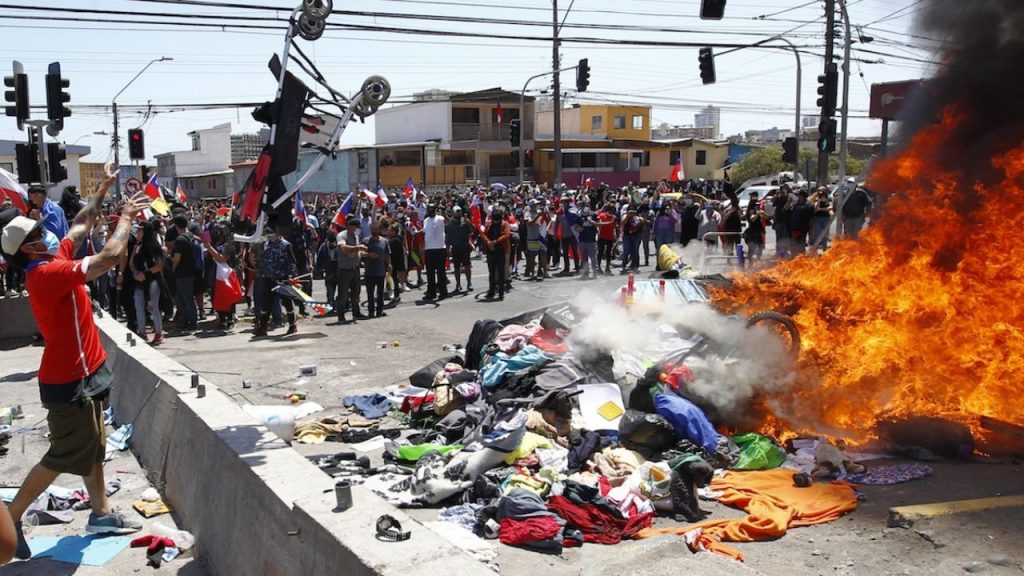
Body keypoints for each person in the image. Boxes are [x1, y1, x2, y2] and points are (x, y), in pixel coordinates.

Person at [0, 165, 148, 561]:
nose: (43, 228)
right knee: (66, 454)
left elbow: (81, 225)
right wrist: (127, 219)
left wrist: (102, 189)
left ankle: (100, 514)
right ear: (29, 248)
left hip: (88, 373)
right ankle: (11, 517)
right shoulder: (47, 272)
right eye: (35, 231)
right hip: (67, 382)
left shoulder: (51, 255)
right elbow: (110, 255)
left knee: (95, 447)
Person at [254, 224, 298, 337]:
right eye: (268, 235)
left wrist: (291, 276)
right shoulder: (266, 245)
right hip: (269, 278)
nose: (269, 237)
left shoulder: (286, 245)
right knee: (266, 304)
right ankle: (262, 327)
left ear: (278, 234)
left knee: (287, 303)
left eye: (272, 235)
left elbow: (291, 262)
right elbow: (265, 261)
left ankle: (292, 324)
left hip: (282, 278)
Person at [129, 220, 165, 345]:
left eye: (140, 230)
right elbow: (131, 263)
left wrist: (146, 274)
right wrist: (135, 273)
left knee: (153, 306)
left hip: (153, 280)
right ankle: (142, 332)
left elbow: (159, 265)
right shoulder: (137, 246)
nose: (137, 232)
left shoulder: (154, 246)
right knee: (138, 306)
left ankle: (159, 333)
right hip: (139, 281)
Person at [170, 215, 199, 332]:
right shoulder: (191, 236)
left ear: (176, 226)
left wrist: (173, 268)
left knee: (187, 299)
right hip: (192, 271)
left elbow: (177, 258)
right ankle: (185, 321)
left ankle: (192, 323)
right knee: (182, 299)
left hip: (183, 273)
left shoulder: (180, 240)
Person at [336, 216, 366, 324]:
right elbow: (343, 249)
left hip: (355, 268)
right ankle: (341, 315)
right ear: (349, 226)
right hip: (345, 269)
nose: (357, 229)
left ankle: (356, 313)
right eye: (355, 227)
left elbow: (356, 251)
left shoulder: (356, 236)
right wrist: (358, 248)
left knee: (355, 293)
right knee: (343, 294)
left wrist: (362, 253)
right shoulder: (342, 236)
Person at [482, 204, 511, 300]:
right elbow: (484, 234)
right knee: (491, 272)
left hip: (501, 250)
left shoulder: (505, 224)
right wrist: (488, 242)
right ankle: (491, 291)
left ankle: (501, 292)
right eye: (494, 220)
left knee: (501, 272)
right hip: (491, 250)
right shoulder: (489, 224)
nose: (495, 222)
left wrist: (496, 241)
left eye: (497, 220)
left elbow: (506, 235)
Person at [363, 225, 390, 318]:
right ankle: (371, 311)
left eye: (376, 229)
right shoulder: (366, 241)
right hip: (369, 271)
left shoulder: (384, 241)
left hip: (380, 270)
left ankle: (379, 311)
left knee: (380, 293)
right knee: (370, 293)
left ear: (379, 230)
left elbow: (387, 254)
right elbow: (361, 253)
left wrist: (389, 264)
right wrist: (368, 254)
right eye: (372, 229)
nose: (374, 231)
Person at [422, 203, 448, 300]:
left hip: (440, 248)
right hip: (429, 249)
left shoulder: (440, 218)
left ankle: (443, 292)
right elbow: (425, 231)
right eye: (429, 209)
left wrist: (444, 212)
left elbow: (447, 222)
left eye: (432, 209)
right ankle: (431, 293)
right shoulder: (425, 220)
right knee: (430, 273)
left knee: (441, 272)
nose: (430, 211)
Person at [445, 206, 474, 292]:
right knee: (456, 268)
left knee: (467, 266)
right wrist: (447, 248)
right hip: (455, 248)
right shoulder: (450, 223)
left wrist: (468, 223)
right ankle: (458, 284)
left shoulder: (465, 221)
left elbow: (472, 231)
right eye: (457, 211)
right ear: (453, 213)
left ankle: (469, 283)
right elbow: (447, 237)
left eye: (460, 211)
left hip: (465, 247)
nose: (459, 213)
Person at [315, 232, 338, 313]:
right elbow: (319, 259)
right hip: (329, 272)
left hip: (339, 272)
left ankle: (341, 305)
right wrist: (318, 270)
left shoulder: (339, 246)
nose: (332, 243)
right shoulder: (323, 247)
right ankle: (331, 306)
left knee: (342, 291)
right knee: (330, 291)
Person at [557, 195, 580, 274]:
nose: (563, 204)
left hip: (572, 234)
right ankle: (566, 267)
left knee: (575, 252)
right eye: (562, 202)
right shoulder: (561, 212)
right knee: (565, 253)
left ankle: (577, 267)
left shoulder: (572, 211)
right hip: (564, 235)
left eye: (564, 202)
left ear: (567, 202)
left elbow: (576, 218)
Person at [788, 190, 814, 256]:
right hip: (793, 229)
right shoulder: (795, 205)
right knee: (793, 246)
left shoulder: (808, 206)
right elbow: (786, 210)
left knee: (801, 246)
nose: (798, 197)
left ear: (802, 197)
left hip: (802, 229)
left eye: (799, 196)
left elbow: (811, 219)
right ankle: (794, 259)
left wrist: (810, 230)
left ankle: (801, 259)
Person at [578, 206, 599, 279]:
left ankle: (595, 272)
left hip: (591, 239)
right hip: (582, 239)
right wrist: (578, 228)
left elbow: (598, 224)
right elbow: (576, 226)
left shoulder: (594, 215)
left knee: (592, 256)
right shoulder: (580, 216)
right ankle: (586, 272)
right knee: (584, 257)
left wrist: (590, 221)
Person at [387, 223, 406, 304]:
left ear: (394, 231)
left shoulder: (394, 240)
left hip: (394, 262)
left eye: (390, 230)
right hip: (397, 261)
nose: (388, 232)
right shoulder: (399, 239)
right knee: (394, 279)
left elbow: (389, 251)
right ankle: (396, 295)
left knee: (394, 279)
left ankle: (396, 296)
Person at [620, 207, 643, 274]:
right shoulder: (625, 215)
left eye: (633, 212)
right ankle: (623, 266)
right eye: (631, 212)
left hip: (635, 235)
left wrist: (640, 220)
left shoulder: (637, 217)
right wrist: (628, 216)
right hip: (627, 235)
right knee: (626, 251)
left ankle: (636, 266)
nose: (632, 213)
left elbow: (642, 223)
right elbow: (623, 222)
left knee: (635, 251)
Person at [596, 204, 617, 275]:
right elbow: (599, 224)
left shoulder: (614, 217)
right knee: (600, 252)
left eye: (613, 210)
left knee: (608, 253)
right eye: (611, 209)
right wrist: (610, 223)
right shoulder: (602, 215)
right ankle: (598, 267)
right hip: (602, 236)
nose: (612, 211)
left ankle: (607, 267)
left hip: (610, 237)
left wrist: (615, 233)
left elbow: (614, 227)